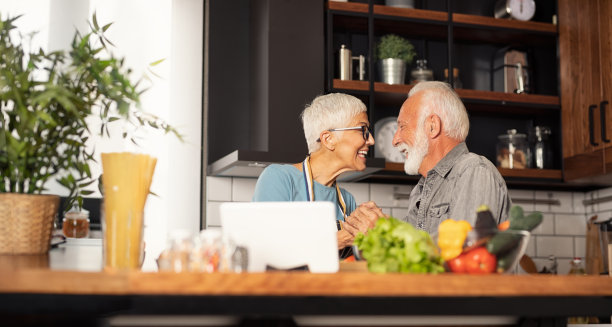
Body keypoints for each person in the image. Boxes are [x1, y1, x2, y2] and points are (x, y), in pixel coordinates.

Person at [253, 93, 386, 255]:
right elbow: (266, 249)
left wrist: (377, 236)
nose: (371, 140)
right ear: (328, 139)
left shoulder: (346, 200)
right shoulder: (279, 179)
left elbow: (354, 262)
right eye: (362, 130)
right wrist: (341, 238)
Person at [392, 81, 510, 235]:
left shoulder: (474, 171)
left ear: (432, 126)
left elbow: (465, 253)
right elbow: (412, 252)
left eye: (402, 126)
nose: (395, 140)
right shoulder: (421, 189)